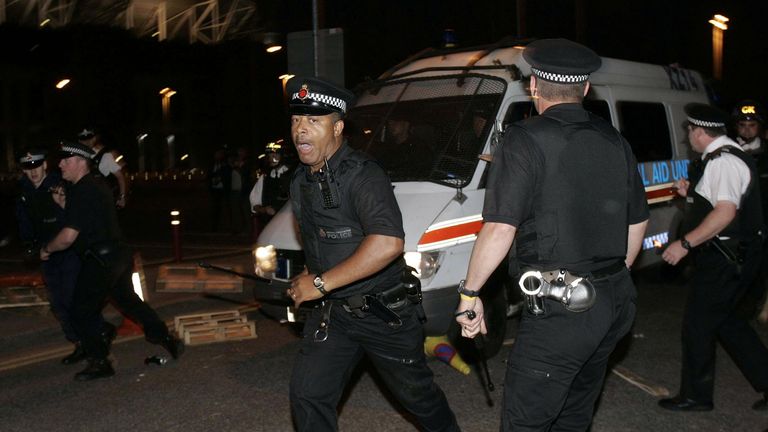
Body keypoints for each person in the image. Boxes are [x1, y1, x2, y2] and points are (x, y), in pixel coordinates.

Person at [455, 39, 649, 431]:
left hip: (564, 312)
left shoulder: (523, 139)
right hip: (613, 303)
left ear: (534, 87)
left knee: (527, 421)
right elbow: (637, 222)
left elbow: (499, 227)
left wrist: (470, 294)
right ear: (586, 90)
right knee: (574, 415)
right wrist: (611, 277)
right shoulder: (616, 140)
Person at [283, 76, 459, 432]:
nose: (301, 131)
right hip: (333, 314)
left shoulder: (364, 176)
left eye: (314, 121)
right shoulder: (301, 181)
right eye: (296, 120)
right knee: (308, 395)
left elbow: (388, 242)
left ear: (338, 128)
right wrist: (310, 274)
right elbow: (316, 240)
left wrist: (320, 282)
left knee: (418, 398)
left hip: (381, 313)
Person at [40, 142, 183, 381]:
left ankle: (100, 361)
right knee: (128, 300)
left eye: (66, 160)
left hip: (101, 260)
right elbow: (89, 219)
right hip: (118, 255)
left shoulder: (83, 189)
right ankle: (165, 337)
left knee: (80, 311)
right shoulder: (94, 185)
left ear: (80, 162)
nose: (60, 165)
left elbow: (68, 237)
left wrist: (46, 249)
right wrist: (64, 205)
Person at [659, 103, 768, 412]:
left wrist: (684, 243)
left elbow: (724, 213)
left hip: (726, 258)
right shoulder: (719, 159)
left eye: (690, 131)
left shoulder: (723, 162)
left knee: (698, 325)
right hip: (731, 256)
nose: (688, 137)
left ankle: (696, 396)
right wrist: (690, 193)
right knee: (728, 322)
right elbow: (716, 202)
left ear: (701, 132)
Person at [15, 148, 115, 364]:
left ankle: (96, 336)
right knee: (58, 303)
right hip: (46, 253)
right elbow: (25, 222)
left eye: (36, 167)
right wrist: (29, 245)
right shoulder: (23, 192)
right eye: (27, 168)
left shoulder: (60, 186)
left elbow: (75, 217)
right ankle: (80, 341)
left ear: (44, 166)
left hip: (67, 250)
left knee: (73, 299)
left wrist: (62, 204)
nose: (33, 173)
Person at [77, 127, 128, 208]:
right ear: (79, 141)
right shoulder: (79, 157)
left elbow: (120, 177)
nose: (86, 142)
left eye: (89, 139)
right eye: (83, 140)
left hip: (102, 201)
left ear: (94, 139)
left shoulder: (105, 156)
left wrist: (122, 197)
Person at [248, 141, 291, 237]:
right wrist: (264, 209)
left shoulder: (292, 175)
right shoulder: (265, 177)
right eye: (270, 156)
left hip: (289, 226)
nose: (272, 159)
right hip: (270, 225)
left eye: (275, 155)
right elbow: (254, 203)